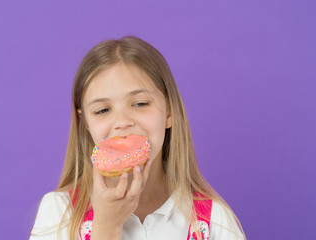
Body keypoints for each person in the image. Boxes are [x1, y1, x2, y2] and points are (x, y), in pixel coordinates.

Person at [29, 36, 246, 240]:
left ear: (169, 112)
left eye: (140, 104)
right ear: (86, 123)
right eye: (103, 110)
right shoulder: (58, 213)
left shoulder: (214, 219)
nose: (122, 121)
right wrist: (106, 226)